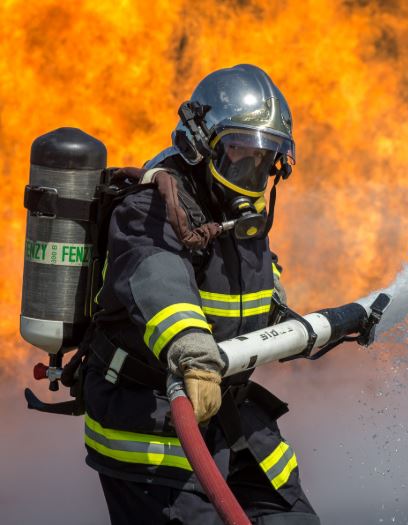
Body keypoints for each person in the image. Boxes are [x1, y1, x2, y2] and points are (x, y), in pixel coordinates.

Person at [82, 64, 320, 524]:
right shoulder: (148, 208)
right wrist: (193, 354)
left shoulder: (238, 208)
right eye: (238, 151)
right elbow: (158, 278)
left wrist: (293, 324)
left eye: (263, 157)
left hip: (223, 410)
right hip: (150, 426)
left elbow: (244, 296)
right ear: (198, 145)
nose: (252, 170)